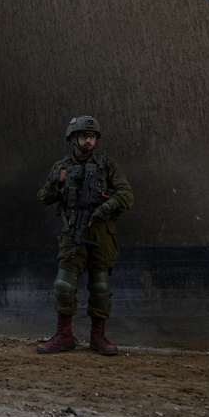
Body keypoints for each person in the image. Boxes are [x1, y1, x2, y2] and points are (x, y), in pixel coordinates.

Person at [35, 115, 134, 355]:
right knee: (63, 285)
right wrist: (54, 183)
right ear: (73, 139)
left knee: (100, 286)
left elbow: (126, 194)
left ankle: (98, 337)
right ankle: (64, 334)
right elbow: (43, 198)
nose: (88, 141)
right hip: (72, 231)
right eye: (83, 136)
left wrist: (106, 207)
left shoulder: (107, 164)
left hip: (102, 233)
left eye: (91, 136)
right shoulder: (62, 167)